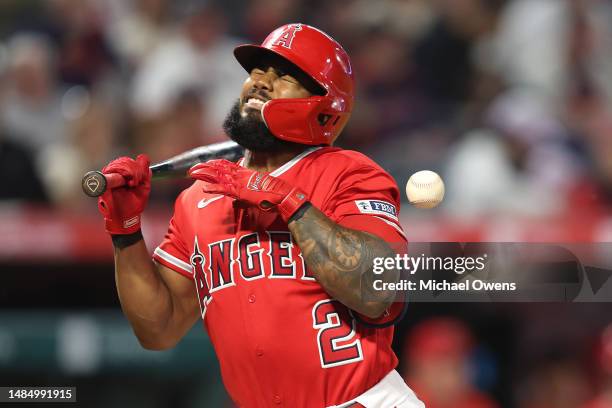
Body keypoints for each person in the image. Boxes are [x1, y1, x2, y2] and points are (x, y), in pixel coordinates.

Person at [96, 23, 423, 408]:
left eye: (285, 75)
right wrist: (126, 232)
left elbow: (378, 290)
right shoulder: (199, 196)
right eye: (257, 71)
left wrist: (289, 202)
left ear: (325, 106)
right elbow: (159, 331)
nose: (259, 83)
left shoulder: (350, 173)